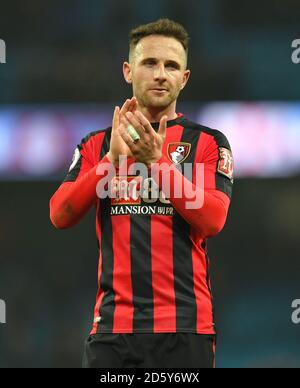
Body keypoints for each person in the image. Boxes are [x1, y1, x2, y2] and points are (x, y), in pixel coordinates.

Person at [49, 18, 234, 368]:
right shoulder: (96, 144)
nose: (161, 74)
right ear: (128, 71)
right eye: (150, 63)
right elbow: (59, 215)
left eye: (171, 65)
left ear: (185, 77)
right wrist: (110, 161)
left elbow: (213, 219)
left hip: (185, 329)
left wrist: (157, 163)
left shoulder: (209, 143)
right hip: (112, 332)